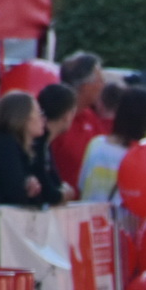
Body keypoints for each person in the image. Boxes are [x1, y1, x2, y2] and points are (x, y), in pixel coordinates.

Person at [0, 92, 57, 207]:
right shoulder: (5, 144)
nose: (43, 119)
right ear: (23, 117)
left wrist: (29, 184)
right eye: (39, 113)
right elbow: (14, 191)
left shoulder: (24, 147)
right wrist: (27, 188)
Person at [76, 86, 146, 202]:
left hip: (95, 217)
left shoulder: (96, 145)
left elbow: (82, 185)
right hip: (134, 218)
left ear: (120, 112)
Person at [49, 52, 107, 192]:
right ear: (86, 86)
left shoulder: (90, 116)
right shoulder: (55, 119)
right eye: (99, 79)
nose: (103, 84)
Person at [33, 83, 78, 203]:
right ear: (68, 115)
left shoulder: (45, 143)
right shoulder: (37, 142)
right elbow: (47, 190)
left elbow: (55, 183)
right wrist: (62, 195)